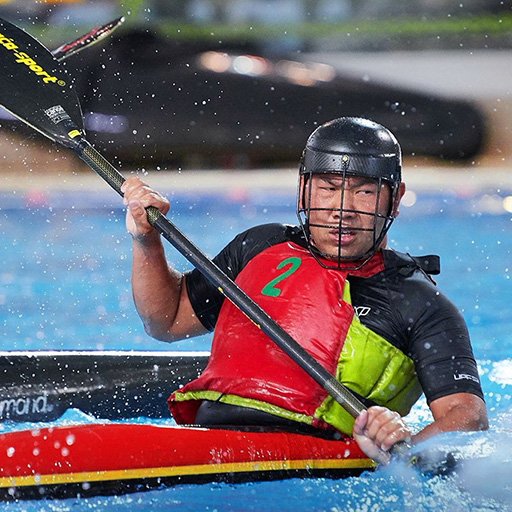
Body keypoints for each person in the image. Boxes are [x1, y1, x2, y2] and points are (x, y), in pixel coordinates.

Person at [121, 117, 488, 465]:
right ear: (303, 190)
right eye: (328, 188)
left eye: (363, 192)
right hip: (209, 436)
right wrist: (146, 240)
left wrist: (399, 451)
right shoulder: (257, 247)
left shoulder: (418, 302)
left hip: (312, 458)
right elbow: (165, 321)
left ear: (394, 199)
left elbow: (466, 416)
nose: (342, 209)